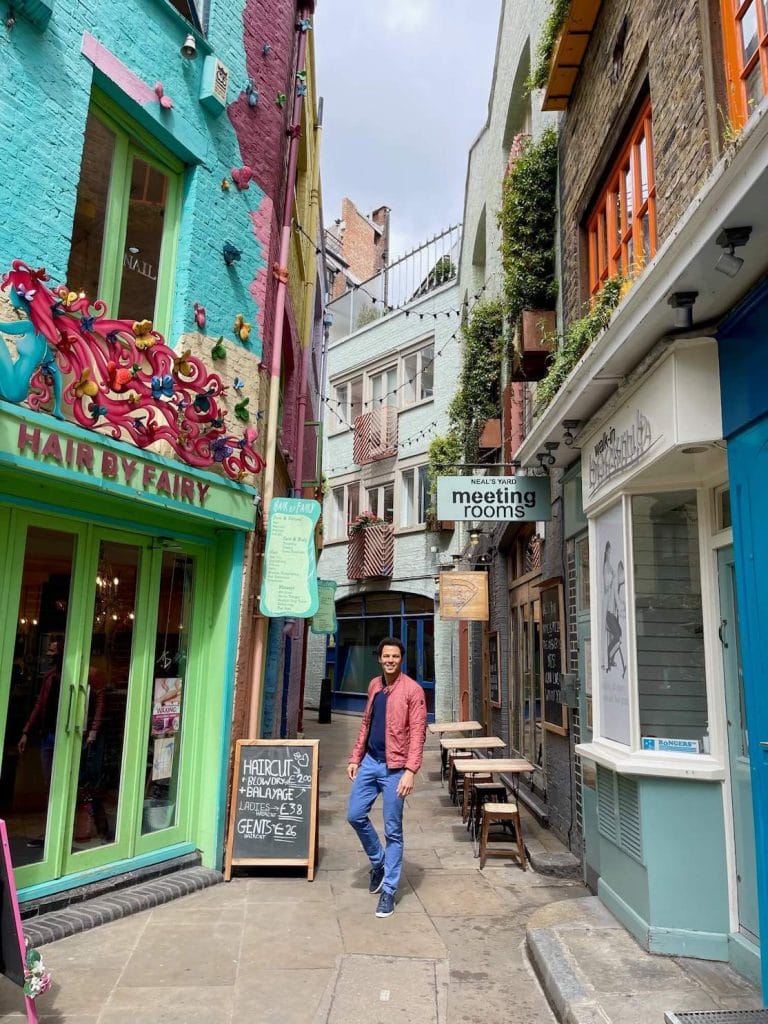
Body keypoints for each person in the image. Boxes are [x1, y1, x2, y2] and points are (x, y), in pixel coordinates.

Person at [346, 637, 427, 919]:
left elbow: (418, 732)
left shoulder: (413, 690)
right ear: (379, 658)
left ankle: (389, 890)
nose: (390, 660)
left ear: (400, 659)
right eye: (386, 656)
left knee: (393, 831)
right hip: (370, 762)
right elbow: (366, 723)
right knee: (355, 814)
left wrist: (410, 770)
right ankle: (379, 862)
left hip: (396, 769)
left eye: (395, 656)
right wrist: (356, 756)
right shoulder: (373, 685)